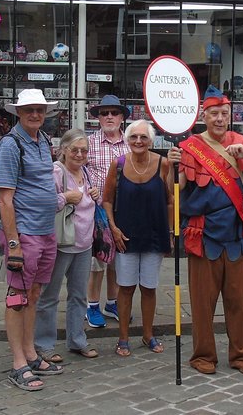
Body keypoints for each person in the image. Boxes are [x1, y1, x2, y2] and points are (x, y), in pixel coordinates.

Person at [167, 85, 243, 375]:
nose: (219, 119)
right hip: (202, 235)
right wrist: (173, 167)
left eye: (224, 114)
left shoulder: (239, 141)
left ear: (230, 115)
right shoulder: (189, 147)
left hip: (234, 235)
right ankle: (203, 356)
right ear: (204, 115)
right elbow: (175, 190)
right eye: (214, 113)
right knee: (203, 304)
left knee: (239, 303)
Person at [0, 89, 63, 391]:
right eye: (29, 110)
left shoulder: (42, 141)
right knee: (17, 298)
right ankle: (18, 363)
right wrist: (14, 244)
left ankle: (31, 353)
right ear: (18, 113)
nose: (35, 114)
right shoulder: (11, 145)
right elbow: (4, 200)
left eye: (40, 109)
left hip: (46, 231)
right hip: (23, 233)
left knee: (34, 294)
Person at [103, 120, 173, 357]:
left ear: (151, 141)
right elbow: (107, 200)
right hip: (126, 236)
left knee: (149, 288)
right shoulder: (119, 165)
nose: (139, 141)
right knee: (126, 288)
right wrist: (113, 227)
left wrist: (172, 233)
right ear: (127, 140)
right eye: (134, 137)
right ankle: (123, 337)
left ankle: (148, 334)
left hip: (154, 235)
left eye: (143, 137)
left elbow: (170, 201)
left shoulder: (163, 164)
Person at [34, 130, 101, 363]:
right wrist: (64, 198)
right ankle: (43, 345)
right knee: (49, 296)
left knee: (79, 296)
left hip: (84, 243)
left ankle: (77, 340)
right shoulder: (55, 171)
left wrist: (95, 194)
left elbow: (89, 203)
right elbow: (41, 203)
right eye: (75, 150)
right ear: (63, 150)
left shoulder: (86, 172)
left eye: (84, 150)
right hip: (61, 244)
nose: (80, 154)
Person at [85, 94, 131, 327]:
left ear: (122, 117)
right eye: (105, 113)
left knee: (118, 260)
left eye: (114, 112)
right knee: (98, 262)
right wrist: (86, 191)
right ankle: (92, 305)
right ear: (98, 118)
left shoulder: (132, 143)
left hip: (124, 210)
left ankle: (112, 303)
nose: (110, 117)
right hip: (96, 212)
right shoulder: (89, 143)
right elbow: (75, 172)